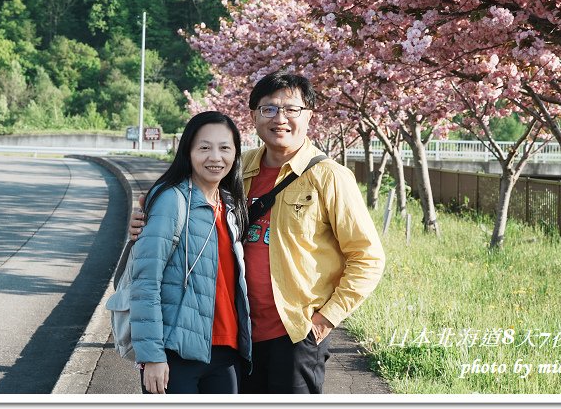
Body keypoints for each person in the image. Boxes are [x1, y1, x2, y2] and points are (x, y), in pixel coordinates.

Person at [130, 72, 385, 394]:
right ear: (253, 116)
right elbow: (188, 206)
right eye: (269, 109)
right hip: (239, 334)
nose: (281, 119)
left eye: (292, 109)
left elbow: (368, 258)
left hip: (293, 334)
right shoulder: (236, 167)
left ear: (309, 116)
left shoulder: (330, 177)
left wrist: (324, 320)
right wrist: (146, 221)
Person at [130, 111, 251, 394]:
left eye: (225, 148)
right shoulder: (172, 200)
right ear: (189, 152)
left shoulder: (231, 205)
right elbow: (145, 282)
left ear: (235, 153)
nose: (215, 157)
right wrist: (152, 356)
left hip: (226, 353)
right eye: (204, 148)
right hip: (176, 352)